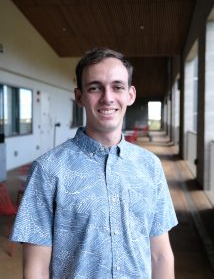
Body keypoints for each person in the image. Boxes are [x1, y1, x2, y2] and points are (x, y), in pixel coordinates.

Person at [11, 48, 178, 279]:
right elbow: (36, 269)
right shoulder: (47, 170)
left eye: (117, 86)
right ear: (79, 96)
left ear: (130, 94)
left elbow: (161, 255)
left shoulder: (150, 166)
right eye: (95, 87)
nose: (107, 97)